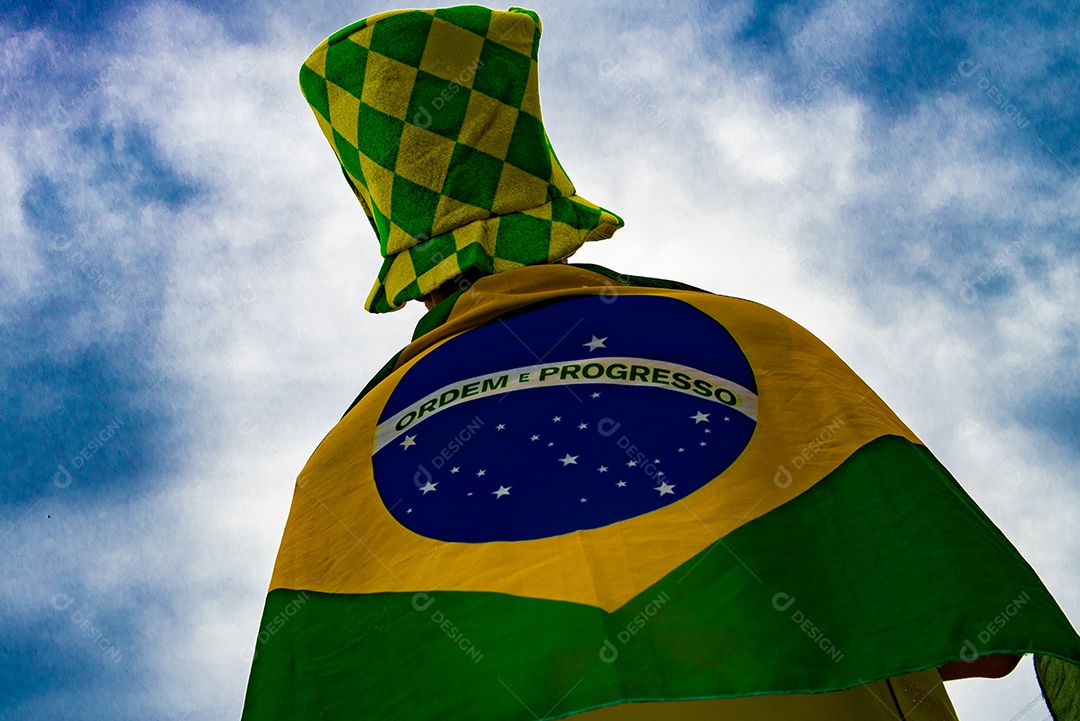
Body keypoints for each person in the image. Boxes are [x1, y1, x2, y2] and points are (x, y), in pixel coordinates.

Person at [242, 6, 1080, 720]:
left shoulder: (343, 462)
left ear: (401, 259)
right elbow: (974, 639)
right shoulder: (756, 340)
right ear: (553, 207)